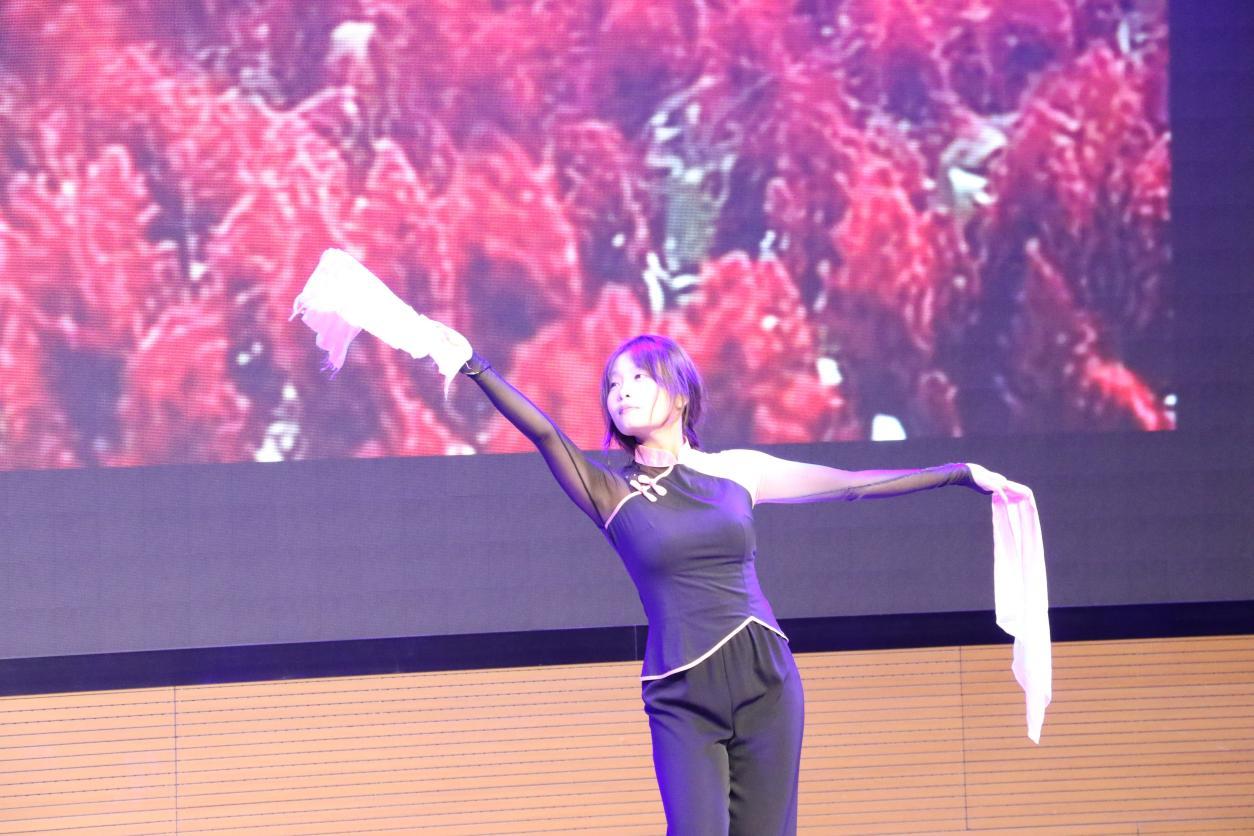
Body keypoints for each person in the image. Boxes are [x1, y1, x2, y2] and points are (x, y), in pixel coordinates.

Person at [461, 333, 990, 835]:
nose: (621, 391)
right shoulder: (610, 490)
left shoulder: (737, 471)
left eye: (639, 377)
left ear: (681, 393)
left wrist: (958, 472)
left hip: (767, 681)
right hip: (681, 691)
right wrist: (473, 365)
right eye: (613, 384)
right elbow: (546, 434)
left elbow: (850, 486)